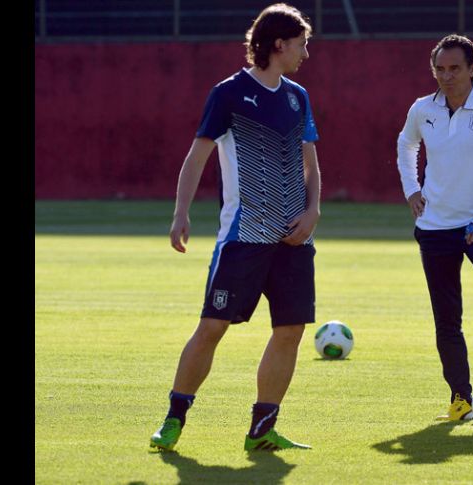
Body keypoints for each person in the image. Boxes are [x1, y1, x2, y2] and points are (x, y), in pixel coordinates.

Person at [150, 3, 321, 452]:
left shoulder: (297, 97)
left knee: (290, 330)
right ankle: (173, 420)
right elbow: (196, 157)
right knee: (212, 327)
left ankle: (262, 430)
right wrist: (180, 213)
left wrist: (313, 211)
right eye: (302, 44)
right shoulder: (228, 94)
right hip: (244, 239)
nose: (306, 53)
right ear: (279, 44)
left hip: (294, 240)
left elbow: (310, 163)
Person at [396, 34, 473, 421]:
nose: (446, 76)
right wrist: (412, 191)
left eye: (455, 68)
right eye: (440, 68)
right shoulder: (422, 108)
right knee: (446, 316)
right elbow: (406, 145)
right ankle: (460, 397)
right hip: (434, 227)